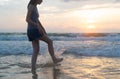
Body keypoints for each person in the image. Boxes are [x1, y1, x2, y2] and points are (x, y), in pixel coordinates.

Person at [26, 0, 63, 74]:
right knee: (50, 42)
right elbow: (27, 19)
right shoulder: (31, 6)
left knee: (36, 50)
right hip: (34, 30)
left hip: (32, 30)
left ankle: (33, 68)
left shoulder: (35, 6)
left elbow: (37, 20)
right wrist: (37, 27)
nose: (42, 1)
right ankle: (54, 59)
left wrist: (42, 28)